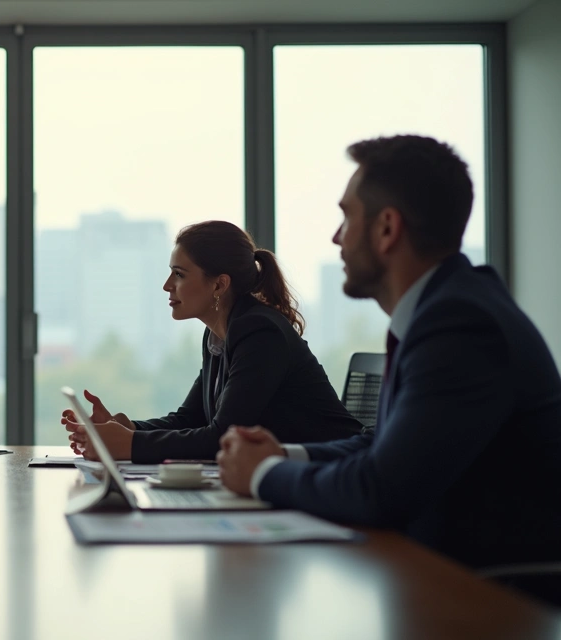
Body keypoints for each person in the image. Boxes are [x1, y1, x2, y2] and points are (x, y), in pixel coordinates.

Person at [216, 135, 561, 569]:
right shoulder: (448, 307)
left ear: (386, 228)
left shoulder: (461, 323)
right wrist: (284, 455)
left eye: (347, 217)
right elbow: (381, 447)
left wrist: (262, 474)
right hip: (435, 578)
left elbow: (379, 489)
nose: (336, 237)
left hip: (489, 595)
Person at [64, 221, 362, 464]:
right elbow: (190, 419)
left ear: (219, 284)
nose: (167, 285)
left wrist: (130, 444)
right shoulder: (220, 333)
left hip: (333, 474)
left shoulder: (259, 332)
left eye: (179, 274)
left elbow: (221, 437)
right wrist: (126, 428)